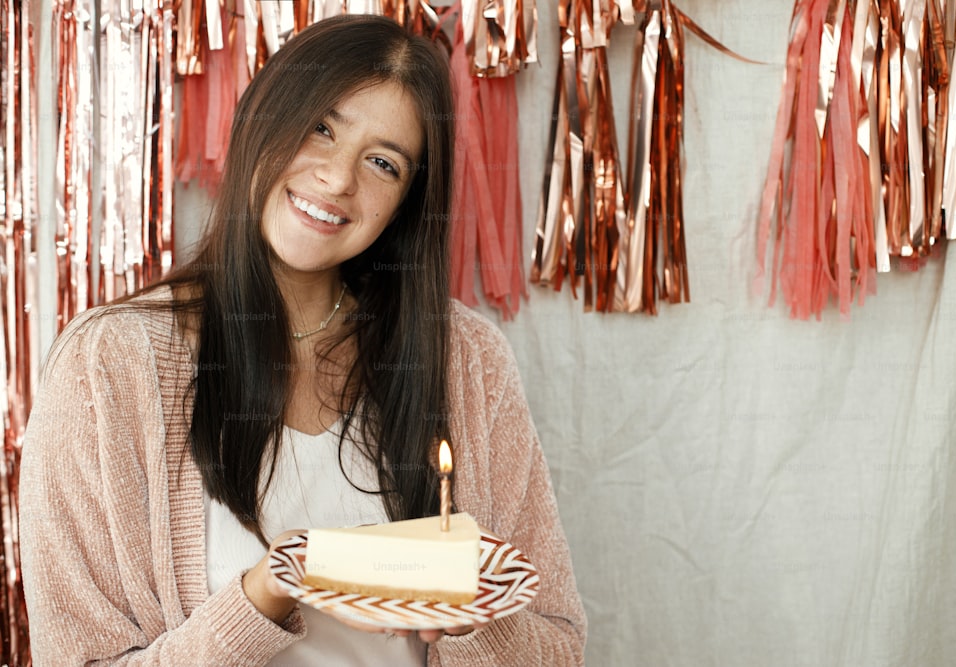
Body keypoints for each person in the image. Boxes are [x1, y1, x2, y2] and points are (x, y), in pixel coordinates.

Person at [19, 14, 586, 666]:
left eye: (383, 163)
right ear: (264, 116)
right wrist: (266, 592)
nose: (339, 178)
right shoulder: (108, 367)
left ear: (405, 201)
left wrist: (473, 623)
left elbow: (558, 643)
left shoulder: (466, 359)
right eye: (322, 128)